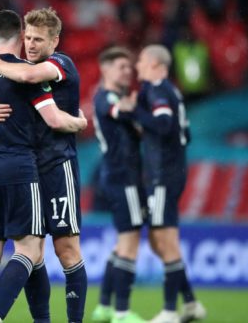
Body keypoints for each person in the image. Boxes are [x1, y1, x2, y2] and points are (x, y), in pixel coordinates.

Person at [0, 9, 87, 323]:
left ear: (55, 40)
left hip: (57, 165)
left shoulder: (58, 64)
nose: (33, 45)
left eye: (39, 39)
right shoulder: (19, 71)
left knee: (65, 250)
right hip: (28, 168)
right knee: (33, 252)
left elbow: (30, 78)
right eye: (29, 38)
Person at [117, 45, 206, 323]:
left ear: (155, 63)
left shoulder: (158, 90)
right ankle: (190, 303)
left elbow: (165, 124)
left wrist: (133, 113)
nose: (138, 65)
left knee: (165, 240)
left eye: (141, 60)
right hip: (169, 172)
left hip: (164, 176)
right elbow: (184, 133)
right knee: (160, 241)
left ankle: (170, 310)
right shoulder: (170, 91)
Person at [90, 47, 145, 323]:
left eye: (129, 67)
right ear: (105, 69)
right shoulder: (105, 97)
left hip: (118, 176)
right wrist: (134, 111)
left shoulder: (112, 97)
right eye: (122, 66)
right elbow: (115, 109)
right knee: (130, 241)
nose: (128, 71)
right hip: (124, 177)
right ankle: (122, 312)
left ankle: (104, 307)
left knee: (121, 243)